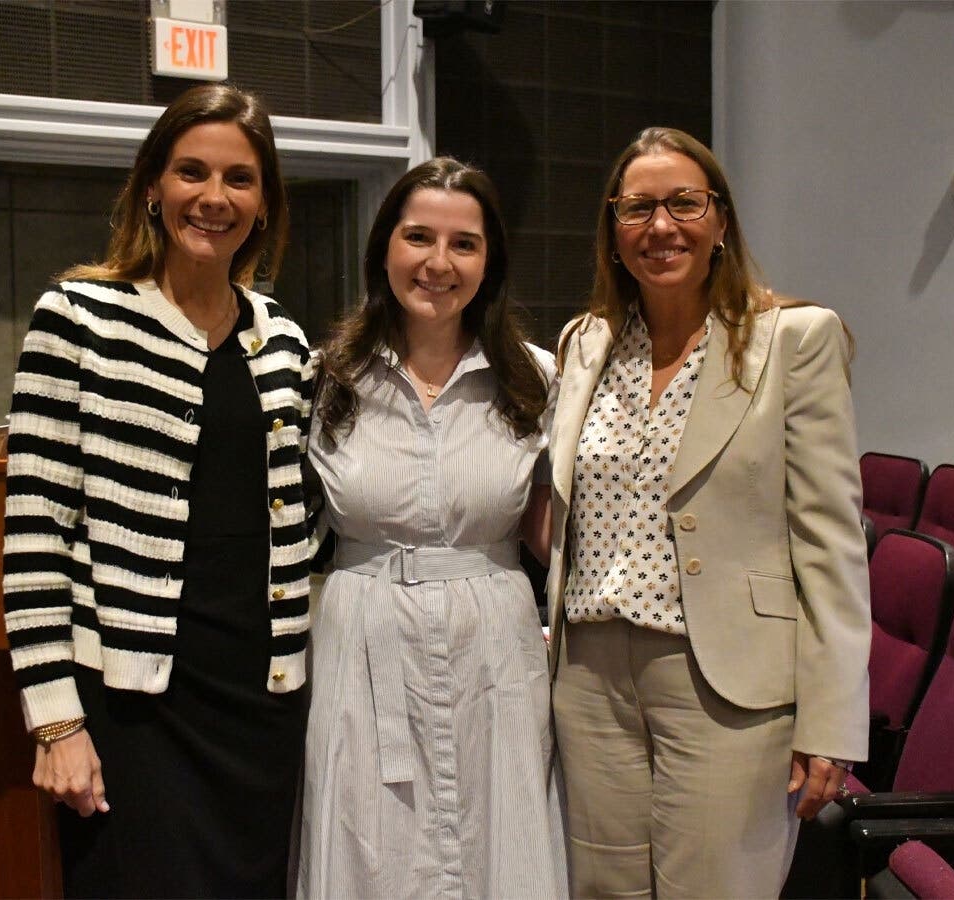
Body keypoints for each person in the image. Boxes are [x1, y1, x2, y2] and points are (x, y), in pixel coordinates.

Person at [1, 83, 313, 898]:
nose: (215, 198)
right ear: (152, 187)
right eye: (191, 173)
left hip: (261, 705)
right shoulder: (76, 317)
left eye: (240, 179)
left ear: (265, 202)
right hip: (135, 710)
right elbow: (34, 534)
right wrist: (56, 720)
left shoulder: (282, 337)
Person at [545, 127, 871, 898]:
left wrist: (831, 720)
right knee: (602, 888)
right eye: (638, 208)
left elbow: (830, 543)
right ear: (613, 229)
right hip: (588, 675)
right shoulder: (584, 343)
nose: (662, 227)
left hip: (725, 677)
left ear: (721, 220)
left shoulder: (793, 339)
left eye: (685, 203)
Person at [298, 157, 567, 899]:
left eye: (465, 244)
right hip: (362, 642)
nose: (438, 263)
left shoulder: (539, 380)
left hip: (495, 654)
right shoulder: (324, 379)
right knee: (368, 849)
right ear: (384, 246)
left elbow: (557, 535)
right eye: (418, 237)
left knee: (496, 843)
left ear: (491, 261)